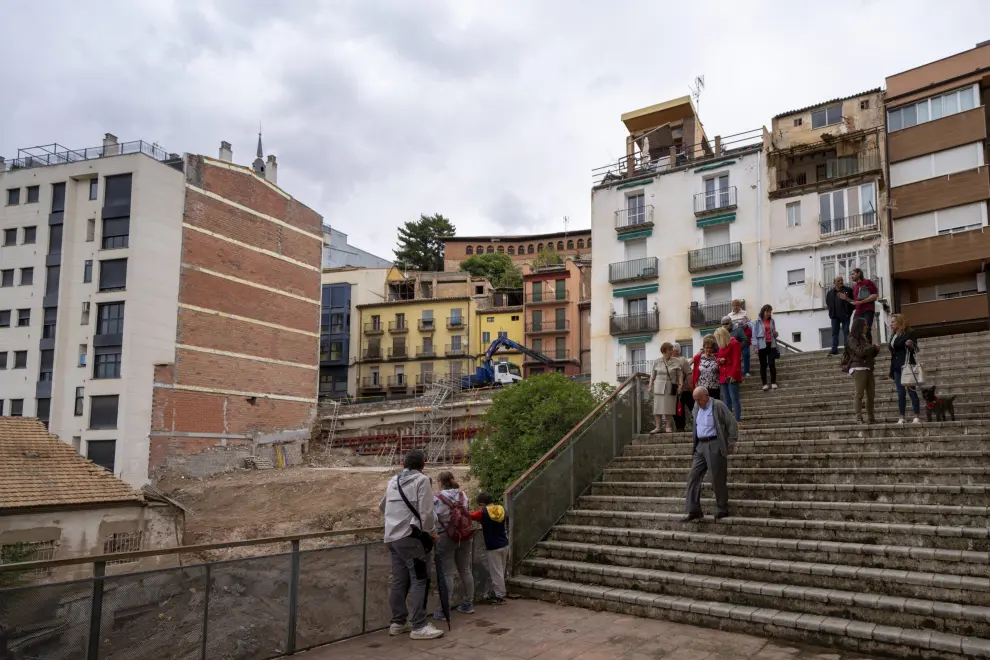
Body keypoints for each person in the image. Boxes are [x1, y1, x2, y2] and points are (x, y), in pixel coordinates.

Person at [380, 450, 444, 640]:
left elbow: (382, 507)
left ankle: (398, 622)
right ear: (423, 464)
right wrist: (432, 533)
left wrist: (395, 520)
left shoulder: (393, 481)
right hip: (411, 538)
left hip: (392, 538)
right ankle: (419, 626)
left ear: (404, 463)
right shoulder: (422, 480)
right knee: (419, 579)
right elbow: (426, 513)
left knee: (399, 580)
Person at [683, 386, 738, 522]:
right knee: (693, 477)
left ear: (706, 396)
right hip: (700, 446)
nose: (697, 402)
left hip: (714, 444)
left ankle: (722, 508)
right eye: (695, 399)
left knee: (717, 478)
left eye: (699, 399)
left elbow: (732, 424)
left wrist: (730, 444)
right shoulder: (696, 407)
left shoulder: (718, 406)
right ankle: (694, 509)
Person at [432, 471, 475, 619]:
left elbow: (432, 518)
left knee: (447, 573)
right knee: (465, 569)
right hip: (465, 535)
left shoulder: (437, 499)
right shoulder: (463, 496)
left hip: (446, 537)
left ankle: (445, 609)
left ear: (440, 482)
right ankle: (469, 603)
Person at [469, 492, 508, 605]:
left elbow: (470, 515)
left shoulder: (483, 512)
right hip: (504, 544)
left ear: (482, 503)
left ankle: (499, 596)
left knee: (496, 572)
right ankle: (500, 592)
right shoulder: (501, 509)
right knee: (502, 569)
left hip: (493, 546)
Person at [843, 317, 879, 424]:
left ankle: (871, 418)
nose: (866, 327)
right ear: (859, 326)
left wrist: (875, 350)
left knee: (871, 394)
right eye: (865, 325)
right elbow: (860, 352)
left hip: (868, 367)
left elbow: (869, 354)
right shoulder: (852, 339)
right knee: (859, 394)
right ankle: (858, 417)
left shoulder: (864, 338)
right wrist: (872, 347)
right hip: (858, 367)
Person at [888, 313, 921, 424]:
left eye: (893, 322)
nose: (891, 324)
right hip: (896, 366)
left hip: (907, 365)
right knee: (900, 392)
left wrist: (911, 345)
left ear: (900, 322)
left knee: (911, 391)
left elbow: (915, 349)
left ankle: (916, 415)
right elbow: (893, 352)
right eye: (891, 322)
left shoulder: (909, 333)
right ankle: (902, 416)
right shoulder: (893, 335)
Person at [648, 342, 683, 434]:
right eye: (669, 350)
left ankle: (668, 427)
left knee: (669, 407)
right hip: (659, 386)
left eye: (672, 349)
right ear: (664, 351)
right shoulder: (657, 361)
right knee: (657, 408)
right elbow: (652, 375)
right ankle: (658, 427)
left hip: (671, 386)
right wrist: (650, 385)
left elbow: (680, 375)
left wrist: (680, 385)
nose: (671, 351)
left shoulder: (676, 361)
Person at [714, 325, 743, 423]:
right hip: (723, 375)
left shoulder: (735, 344)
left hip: (731, 375)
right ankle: (729, 421)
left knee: (734, 398)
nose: (717, 341)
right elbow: (717, 357)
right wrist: (719, 360)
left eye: (718, 338)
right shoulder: (722, 346)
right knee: (726, 400)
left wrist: (734, 375)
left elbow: (736, 362)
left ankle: (737, 420)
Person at [844, 268, 879, 344]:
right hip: (858, 311)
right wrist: (846, 298)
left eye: (853, 274)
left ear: (859, 273)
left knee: (866, 329)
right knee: (855, 330)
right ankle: (859, 348)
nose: (851, 276)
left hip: (867, 309)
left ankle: (868, 348)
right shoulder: (854, 286)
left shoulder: (868, 282)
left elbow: (875, 295)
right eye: (851, 274)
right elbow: (856, 301)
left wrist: (862, 302)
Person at [751, 305, 779, 391]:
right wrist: (755, 347)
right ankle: (764, 384)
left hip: (772, 344)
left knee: (771, 364)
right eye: (767, 311)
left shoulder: (772, 321)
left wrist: (775, 333)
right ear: (763, 311)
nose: (768, 314)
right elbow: (754, 335)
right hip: (762, 345)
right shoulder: (757, 322)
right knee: (763, 365)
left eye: (770, 312)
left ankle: (773, 382)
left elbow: (775, 335)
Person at [826, 276, 854, 355]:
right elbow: (828, 303)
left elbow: (853, 302)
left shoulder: (848, 290)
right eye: (838, 281)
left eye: (842, 280)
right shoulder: (830, 293)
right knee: (834, 332)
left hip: (845, 315)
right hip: (835, 316)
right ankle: (834, 349)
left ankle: (847, 348)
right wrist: (831, 312)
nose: (841, 282)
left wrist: (849, 312)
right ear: (834, 283)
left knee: (846, 331)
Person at [672, 343, 694, 432]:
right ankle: (679, 427)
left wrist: (690, 386)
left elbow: (689, 373)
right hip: (674, 389)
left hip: (685, 388)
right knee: (677, 410)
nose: (670, 351)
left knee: (692, 407)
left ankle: (697, 424)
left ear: (677, 351)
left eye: (672, 350)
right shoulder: (670, 361)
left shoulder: (682, 360)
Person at [692, 336, 721, 401]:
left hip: (715, 387)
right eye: (707, 347)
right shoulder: (698, 358)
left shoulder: (717, 357)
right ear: (704, 347)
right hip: (702, 388)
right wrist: (695, 386)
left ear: (713, 348)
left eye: (711, 348)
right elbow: (695, 373)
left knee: (714, 407)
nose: (709, 349)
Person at [728, 300, 752, 377]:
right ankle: (737, 371)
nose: (735, 307)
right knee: (735, 355)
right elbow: (728, 326)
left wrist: (746, 325)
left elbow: (749, 323)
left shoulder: (745, 313)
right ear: (732, 306)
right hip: (734, 337)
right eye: (734, 305)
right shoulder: (729, 315)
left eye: (737, 305)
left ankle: (746, 371)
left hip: (744, 336)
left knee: (746, 354)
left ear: (740, 305)